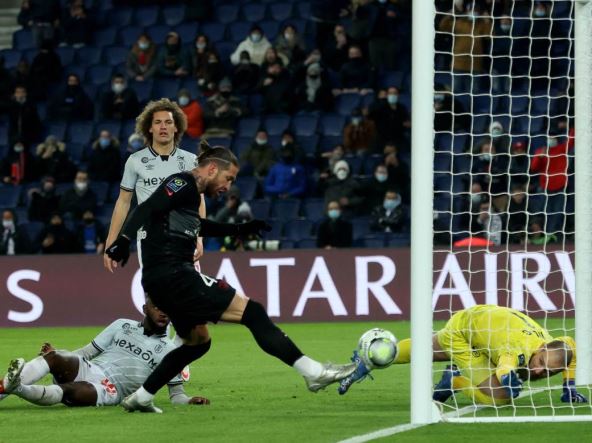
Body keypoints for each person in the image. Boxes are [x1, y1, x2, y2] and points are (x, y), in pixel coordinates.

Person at [105, 142, 356, 412]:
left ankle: (142, 397)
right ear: (213, 169)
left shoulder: (188, 196)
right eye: (229, 178)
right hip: (175, 274)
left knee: (197, 342)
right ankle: (314, 372)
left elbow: (197, 225)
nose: (228, 186)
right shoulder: (182, 183)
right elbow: (147, 207)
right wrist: (123, 240)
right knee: (253, 312)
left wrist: (240, 228)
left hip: (161, 282)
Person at [103, 98, 207, 382]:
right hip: (149, 240)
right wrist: (112, 242)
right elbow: (123, 203)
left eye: (168, 122)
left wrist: (199, 236)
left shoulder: (190, 161)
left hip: (184, 237)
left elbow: (199, 201)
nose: (163, 127)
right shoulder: (135, 161)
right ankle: (169, 359)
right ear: (149, 128)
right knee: (160, 299)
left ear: (177, 128)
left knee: (191, 301)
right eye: (158, 122)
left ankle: (176, 353)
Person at [339, 305, 588, 406]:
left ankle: (370, 358)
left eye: (549, 371)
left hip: (481, 320)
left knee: (428, 349)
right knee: (502, 396)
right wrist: (508, 378)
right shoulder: (517, 349)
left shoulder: (558, 345)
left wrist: (569, 385)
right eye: (541, 362)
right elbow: (505, 365)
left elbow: (571, 349)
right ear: (542, 349)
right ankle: (455, 380)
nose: (539, 370)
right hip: (465, 331)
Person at [0, 296, 209, 408]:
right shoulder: (122, 325)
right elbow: (87, 352)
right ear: (145, 308)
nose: (163, 313)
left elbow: (177, 396)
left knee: (70, 391)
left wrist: (189, 401)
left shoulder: (173, 351)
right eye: (157, 307)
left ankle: (17, 387)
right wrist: (61, 356)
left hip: (110, 389)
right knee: (54, 357)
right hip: (92, 368)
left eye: (168, 309)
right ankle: (5, 389)